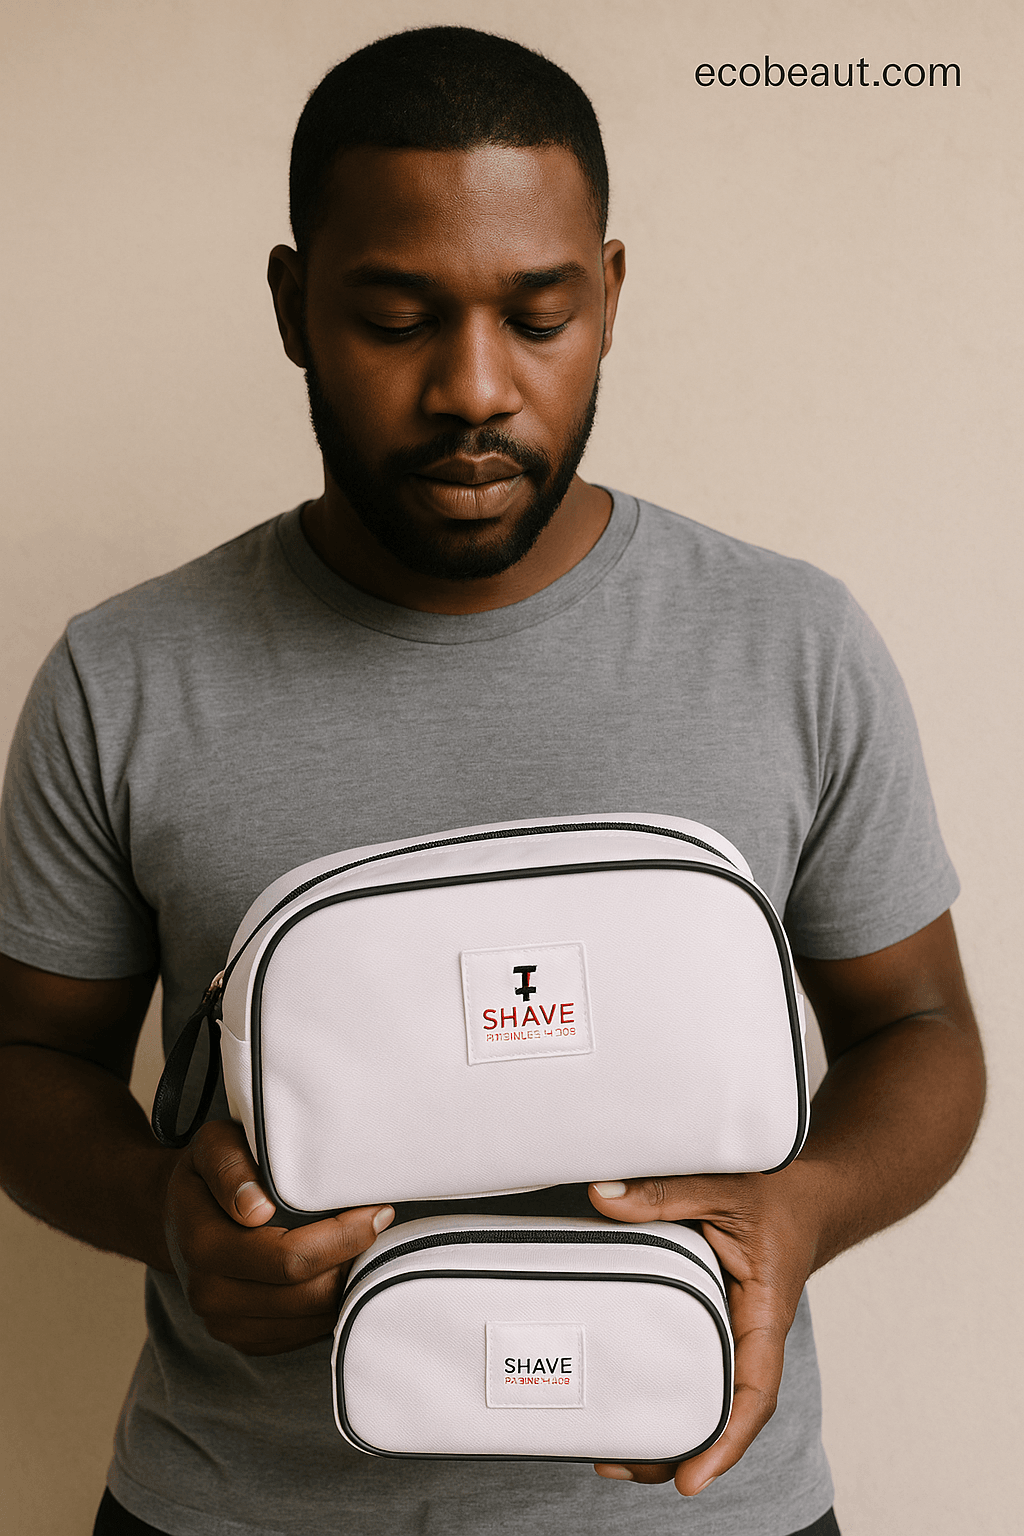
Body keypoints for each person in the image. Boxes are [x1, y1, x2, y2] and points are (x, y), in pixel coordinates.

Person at [0, 25, 984, 1536]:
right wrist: (162, 1215)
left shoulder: (791, 643)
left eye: (540, 315)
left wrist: (807, 1210)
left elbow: (922, 1031)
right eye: (397, 316)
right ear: (292, 308)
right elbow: (29, 1066)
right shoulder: (125, 677)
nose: (475, 387)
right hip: (238, 1508)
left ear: (612, 296)